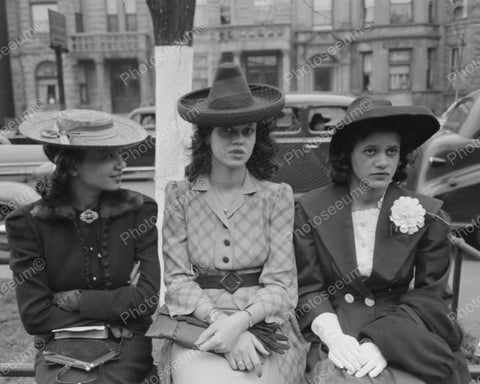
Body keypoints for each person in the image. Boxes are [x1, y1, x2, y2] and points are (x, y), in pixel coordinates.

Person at [294, 97, 471, 384]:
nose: (383, 162)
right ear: (348, 155)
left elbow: (432, 297)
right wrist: (333, 335)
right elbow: (308, 289)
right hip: (336, 332)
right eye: (370, 151)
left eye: (392, 151)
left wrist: (380, 343)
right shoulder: (312, 209)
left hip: (401, 333)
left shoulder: (427, 213)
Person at [156, 62, 307, 384]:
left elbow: (282, 285)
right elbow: (178, 281)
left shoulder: (276, 197)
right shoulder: (180, 196)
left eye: (247, 131)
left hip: (265, 322)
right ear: (206, 137)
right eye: (227, 131)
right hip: (198, 321)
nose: (239, 140)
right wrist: (222, 327)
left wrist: (240, 323)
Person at [6, 109, 160, 384]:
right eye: (107, 156)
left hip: (125, 346)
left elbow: (147, 299)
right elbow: (35, 316)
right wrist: (119, 304)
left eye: (119, 154)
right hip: (59, 349)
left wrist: (76, 299)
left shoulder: (138, 211)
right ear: (73, 166)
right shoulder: (28, 223)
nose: (121, 164)